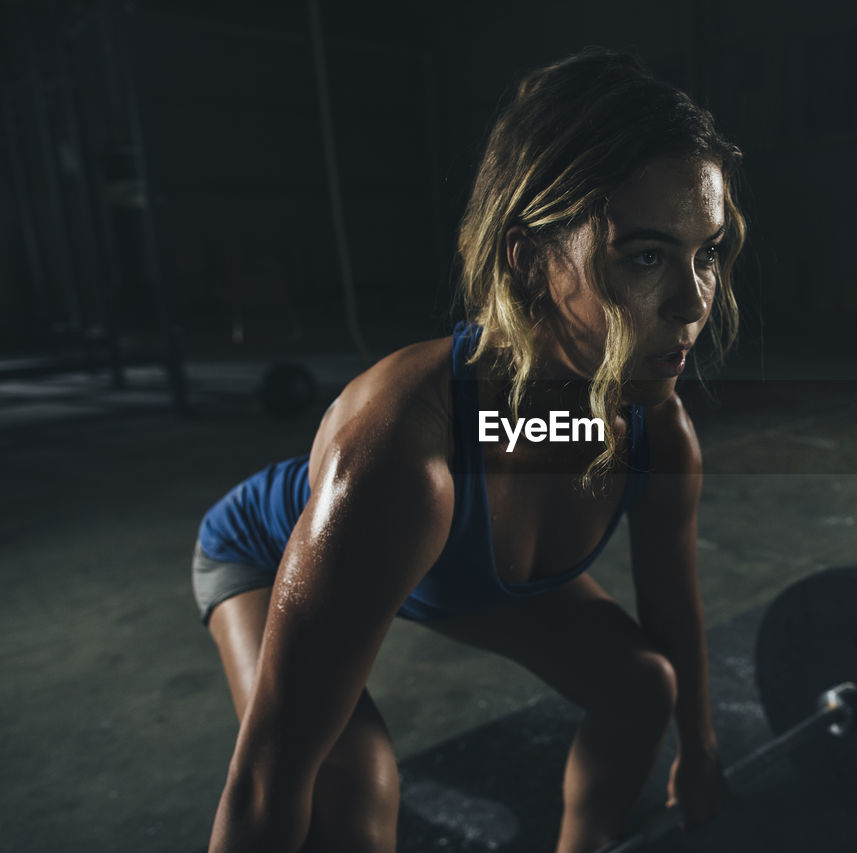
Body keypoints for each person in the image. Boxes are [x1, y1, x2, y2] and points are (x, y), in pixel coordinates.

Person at [197, 48, 747, 853]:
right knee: (351, 788)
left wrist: (698, 751)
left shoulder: (653, 437)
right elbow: (265, 777)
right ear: (529, 260)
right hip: (263, 552)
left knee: (642, 685)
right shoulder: (403, 458)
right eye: (645, 256)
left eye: (706, 251)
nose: (693, 300)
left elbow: (671, 611)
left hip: (442, 563)